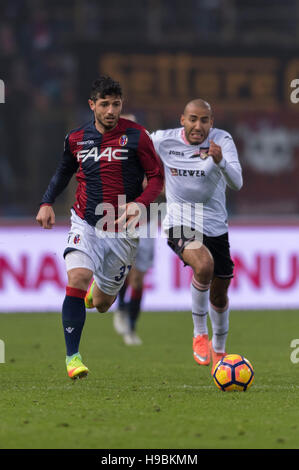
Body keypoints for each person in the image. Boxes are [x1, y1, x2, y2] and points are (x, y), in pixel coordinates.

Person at [36, 76, 164, 380]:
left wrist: (140, 204)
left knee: (104, 303)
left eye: (116, 104)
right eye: (104, 104)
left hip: (122, 227)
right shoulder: (76, 138)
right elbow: (63, 171)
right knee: (78, 277)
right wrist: (46, 202)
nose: (110, 110)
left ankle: (99, 293)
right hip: (85, 220)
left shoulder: (137, 136)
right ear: (92, 105)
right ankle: (73, 357)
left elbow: (157, 178)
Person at [151, 99, 242, 374]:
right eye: (193, 119)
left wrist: (220, 161)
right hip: (178, 221)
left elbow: (237, 182)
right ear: (182, 120)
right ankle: (199, 333)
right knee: (203, 265)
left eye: (204, 120)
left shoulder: (222, 140)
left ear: (211, 123)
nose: (198, 126)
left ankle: (219, 348)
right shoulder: (163, 141)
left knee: (220, 293)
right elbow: (136, 142)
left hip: (215, 226)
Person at [112, 114, 156, 346]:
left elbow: (159, 185)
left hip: (146, 222)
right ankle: (120, 308)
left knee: (138, 280)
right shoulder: (108, 157)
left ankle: (130, 326)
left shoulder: (147, 154)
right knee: (122, 273)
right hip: (118, 221)